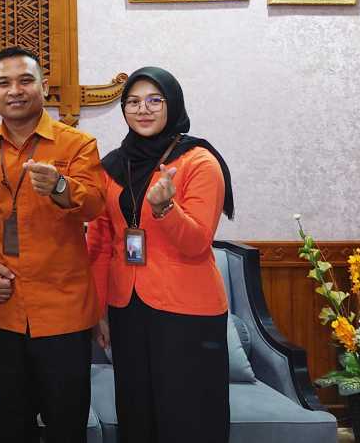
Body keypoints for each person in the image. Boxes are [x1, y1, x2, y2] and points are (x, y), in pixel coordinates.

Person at [0, 47, 106, 443]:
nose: (15, 90)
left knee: (66, 429)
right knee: (10, 428)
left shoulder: (77, 144)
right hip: (2, 313)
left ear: (44, 86)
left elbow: (95, 204)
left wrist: (59, 186)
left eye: (26, 81)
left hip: (64, 314)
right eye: (3, 83)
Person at [86, 67, 235, 443]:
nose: (143, 109)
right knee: (137, 412)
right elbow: (101, 242)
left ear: (174, 104)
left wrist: (166, 209)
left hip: (187, 311)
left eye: (155, 100)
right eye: (133, 102)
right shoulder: (113, 166)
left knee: (189, 416)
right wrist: (99, 309)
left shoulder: (199, 162)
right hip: (127, 307)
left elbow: (197, 242)